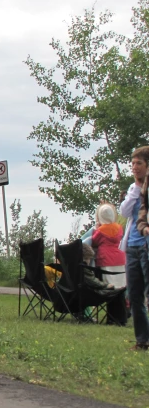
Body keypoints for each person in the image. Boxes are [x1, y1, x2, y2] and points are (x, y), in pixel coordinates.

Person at [119, 146, 149, 350]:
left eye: (139, 163)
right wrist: (136, 190)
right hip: (132, 245)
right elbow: (124, 210)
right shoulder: (133, 188)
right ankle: (142, 340)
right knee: (134, 294)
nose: (135, 167)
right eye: (133, 164)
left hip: (146, 245)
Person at [81, 244, 127, 326]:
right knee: (117, 291)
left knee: (116, 290)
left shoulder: (71, 266)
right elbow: (92, 281)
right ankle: (119, 319)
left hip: (77, 294)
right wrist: (106, 285)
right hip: (89, 294)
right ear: (86, 257)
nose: (89, 261)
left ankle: (116, 319)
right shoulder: (83, 267)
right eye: (89, 259)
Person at [91, 203, 125, 288]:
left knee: (110, 286)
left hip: (105, 258)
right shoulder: (119, 228)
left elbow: (94, 241)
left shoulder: (100, 230)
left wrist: (97, 229)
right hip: (120, 258)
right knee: (122, 285)